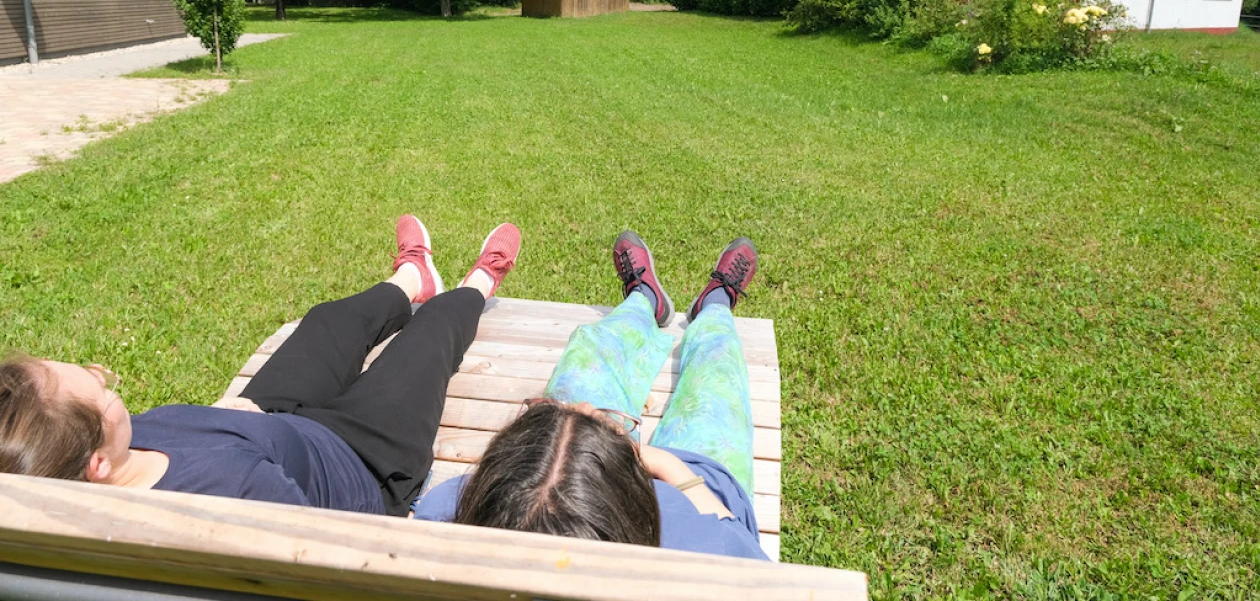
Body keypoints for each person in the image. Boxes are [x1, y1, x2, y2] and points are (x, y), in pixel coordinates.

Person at [0, 217, 520, 518]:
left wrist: (234, 415)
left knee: (328, 322)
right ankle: (474, 286)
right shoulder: (239, 495)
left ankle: (413, 277)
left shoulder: (101, 461)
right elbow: (330, 554)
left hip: (261, 423)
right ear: (97, 466)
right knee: (424, 343)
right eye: (102, 389)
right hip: (360, 459)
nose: (102, 376)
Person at [413, 231, 768, 560]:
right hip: (692, 495)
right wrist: (661, 464)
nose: (584, 408)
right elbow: (733, 532)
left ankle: (644, 300)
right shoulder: (719, 562)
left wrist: (544, 459)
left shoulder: (443, 529)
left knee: (589, 354)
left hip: (573, 471)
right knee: (715, 373)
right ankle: (716, 305)